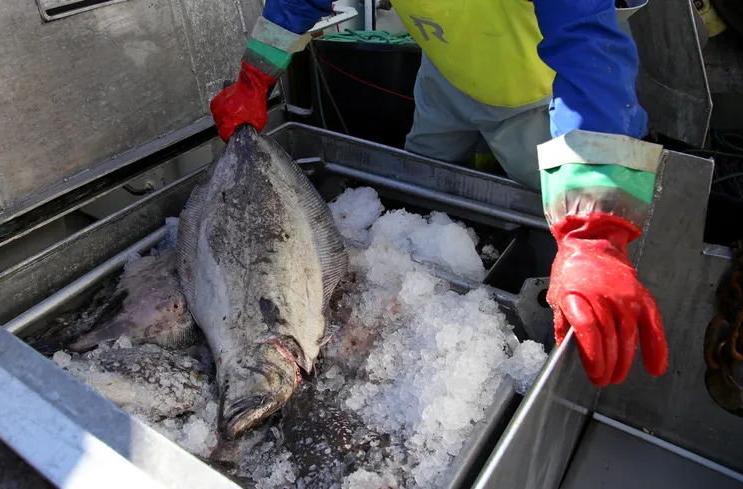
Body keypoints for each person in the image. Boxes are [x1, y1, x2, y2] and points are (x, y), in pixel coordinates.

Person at [209, 0, 669, 387]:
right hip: (445, 76)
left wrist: (594, 235)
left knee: (554, 222)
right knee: (420, 181)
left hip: (536, 96)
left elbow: (590, 53)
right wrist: (254, 77)